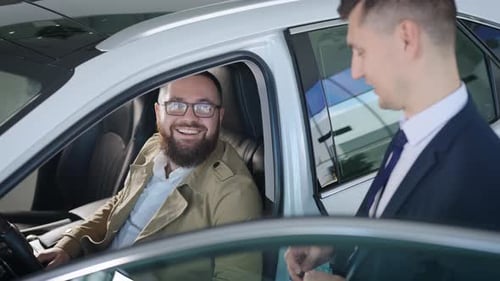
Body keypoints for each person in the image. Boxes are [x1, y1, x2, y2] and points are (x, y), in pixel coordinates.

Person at [286, 0, 500, 280]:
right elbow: (390, 225)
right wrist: (330, 245)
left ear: (407, 39)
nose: (355, 71)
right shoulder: (414, 131)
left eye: (361, 51)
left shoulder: (481, 178)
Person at [37, 72, 263, 280]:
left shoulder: (234, 192)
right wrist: (68, 245)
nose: (190, 119)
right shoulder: (155, 146)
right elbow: (119, 203)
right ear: (158, 112)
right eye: (176, 105)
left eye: (204, 108)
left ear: (220, 116)